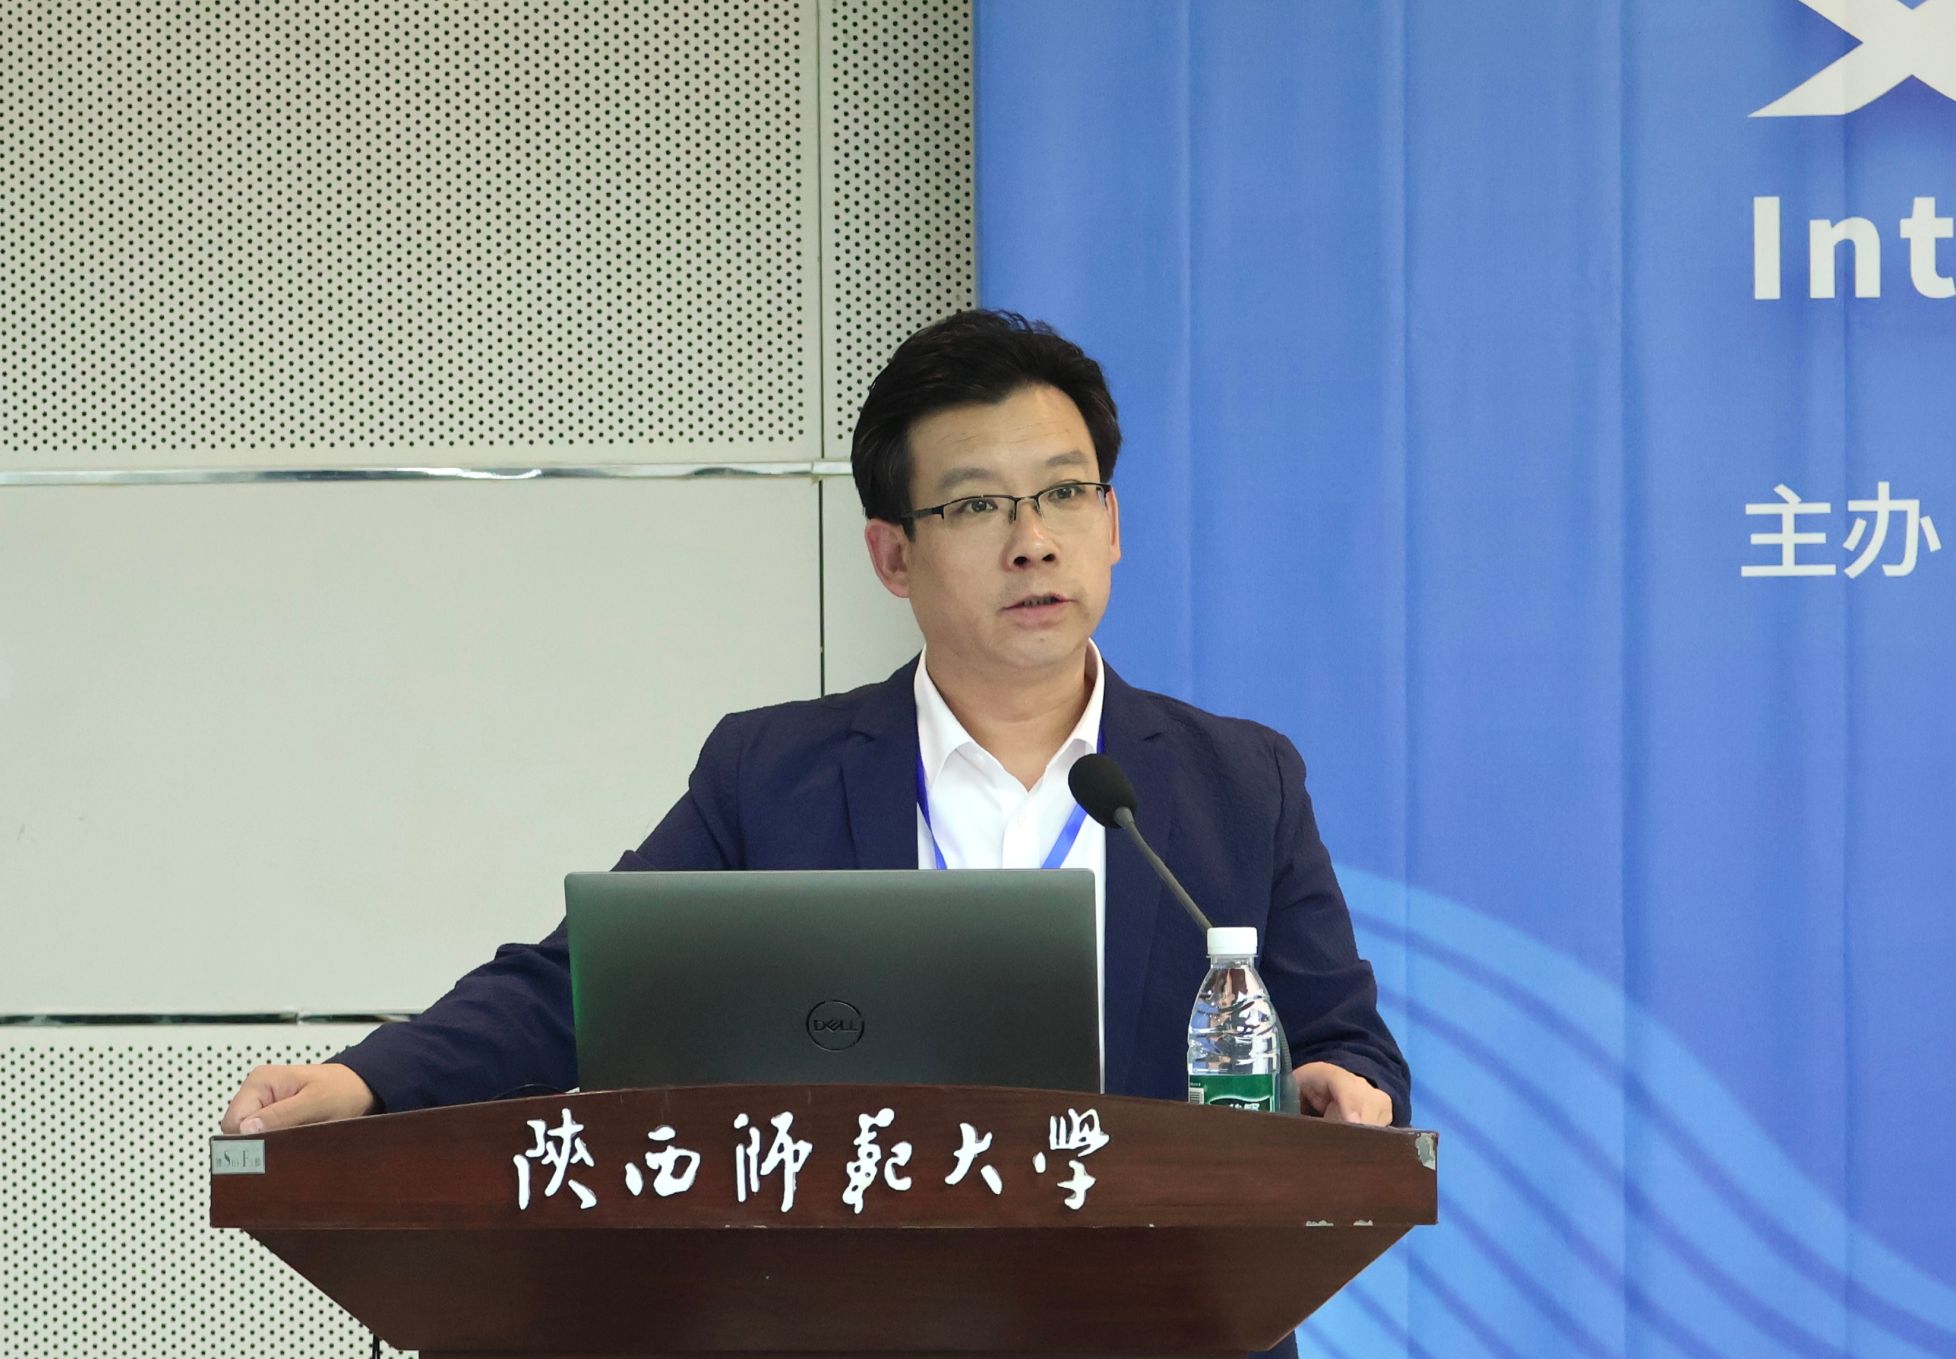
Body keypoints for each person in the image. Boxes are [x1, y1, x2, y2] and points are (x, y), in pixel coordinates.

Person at [220, 310, 1409, 1135]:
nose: (1032, 540)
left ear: (1111, 523)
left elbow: (1344, 1044)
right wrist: (368, 1081)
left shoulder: (1236, 782)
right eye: (977, 505)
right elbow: (586, 989)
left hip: (1162, 1318)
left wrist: (1340, 1088)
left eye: (1064, 492)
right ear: (891, 556)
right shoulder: (772, 773)